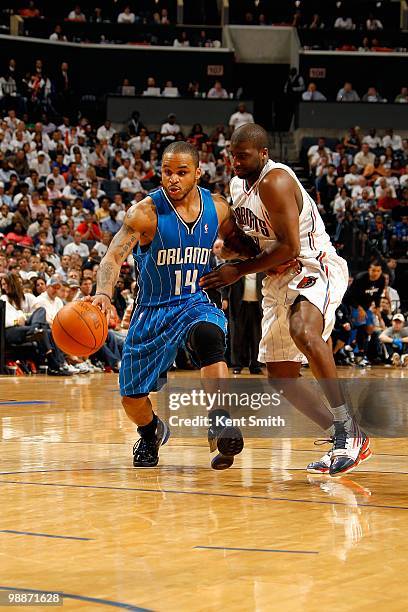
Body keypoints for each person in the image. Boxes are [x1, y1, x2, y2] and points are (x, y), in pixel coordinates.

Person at [200, 123, 371, 477]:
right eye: (232, 155)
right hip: (277, 278)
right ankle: (341, 436)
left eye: (243, 155)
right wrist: (233, 245)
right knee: (281, 377)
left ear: (263, 153)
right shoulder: (237, 186)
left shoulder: (274, 181)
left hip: (312, 264)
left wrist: (239, 270)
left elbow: (291, 247)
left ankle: (348, 426)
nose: (235, 162)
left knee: (305, 331)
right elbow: (260, 242)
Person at [90, 142, 260, 469]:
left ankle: (220, 419)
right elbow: (113, 257)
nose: (173, 179)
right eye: (167, 172)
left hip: (194, 302)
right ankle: (150, 431)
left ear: (198, 172)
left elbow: (242, 245)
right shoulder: (145, 213)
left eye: (182, 172)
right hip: (152, 310)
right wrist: (103, 293)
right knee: (132, 397)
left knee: (211, 337)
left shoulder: (218, 207)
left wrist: (237, 255)